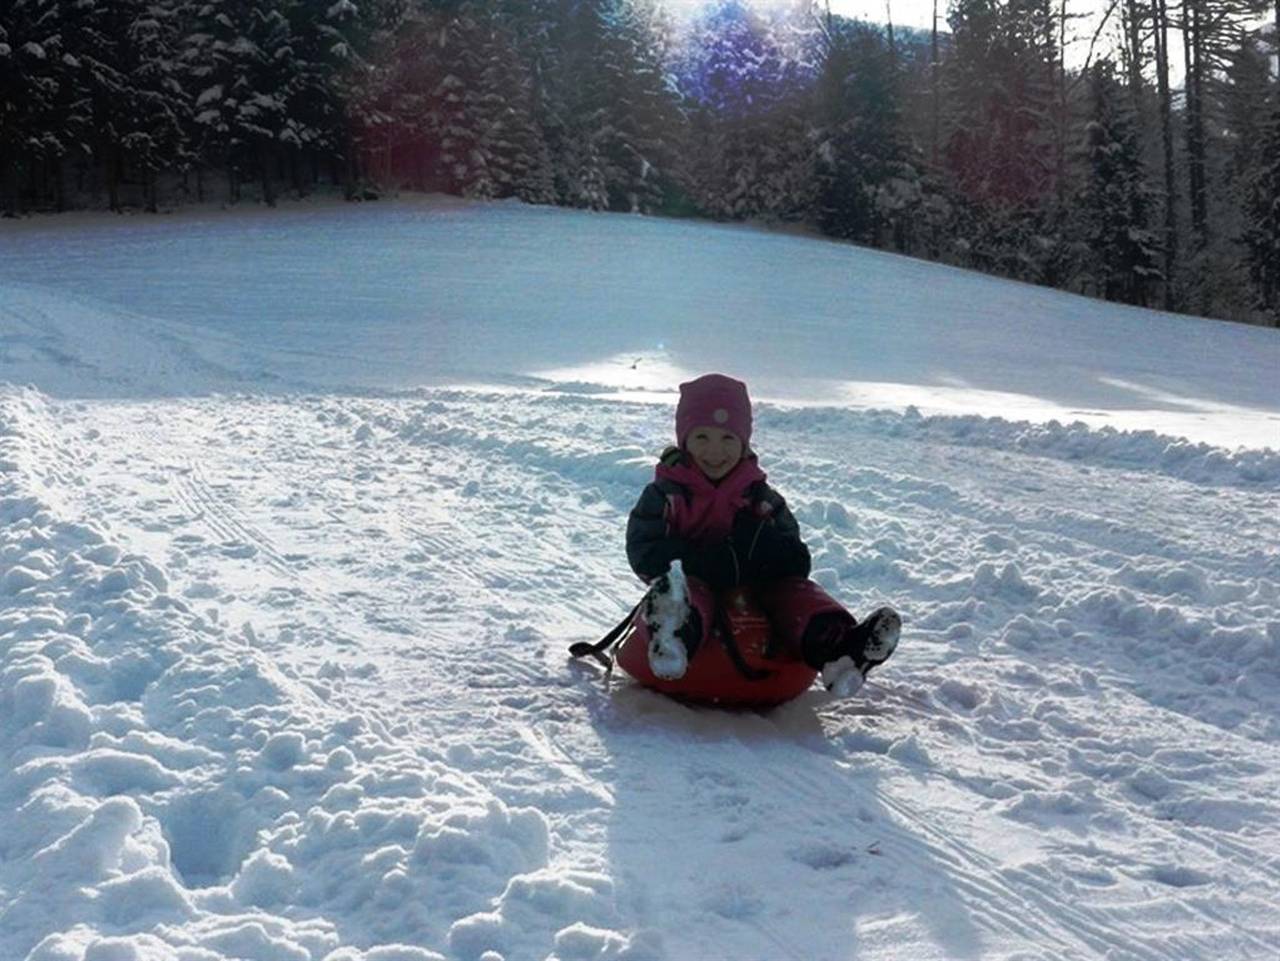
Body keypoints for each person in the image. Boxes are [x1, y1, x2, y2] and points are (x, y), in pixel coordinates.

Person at [625, 373, 900, 697]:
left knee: (796, 593)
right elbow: (644, 549)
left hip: (754, 592)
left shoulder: (759, 496)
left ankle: (841, 649)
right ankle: (672, 638)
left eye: (728, 438)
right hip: (693, 582)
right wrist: (700, 562)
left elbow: (796, 559)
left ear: (744, 443)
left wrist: (767, 551)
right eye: (701, 437)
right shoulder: (666, 494)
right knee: (684, 590)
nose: (715, 450)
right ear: (684, 441)